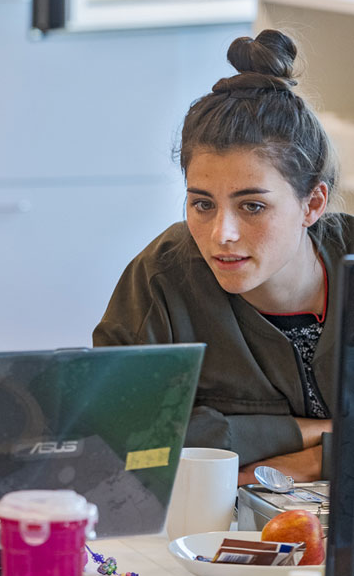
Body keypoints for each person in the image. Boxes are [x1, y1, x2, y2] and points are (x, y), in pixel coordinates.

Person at [93, 29, 352, 485]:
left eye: (252, 206)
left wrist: (315, 461)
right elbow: (118, 441)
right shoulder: (160, 278)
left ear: (312, 204)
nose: (221, 234)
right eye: (202, 203)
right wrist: (307, 431)